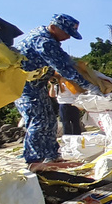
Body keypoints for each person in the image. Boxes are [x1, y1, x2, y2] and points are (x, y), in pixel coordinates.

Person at [15, 14, 100, 163]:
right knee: (38, 121)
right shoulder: (44, 41)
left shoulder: (47, 37)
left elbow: (66, 59)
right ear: (54, 27)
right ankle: (34, 160)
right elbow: (64, 68)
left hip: (37, 84)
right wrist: (89, 86)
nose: (68, 37)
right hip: (24, 85)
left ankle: (51, 155)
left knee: (49, 120)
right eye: (66, 33)